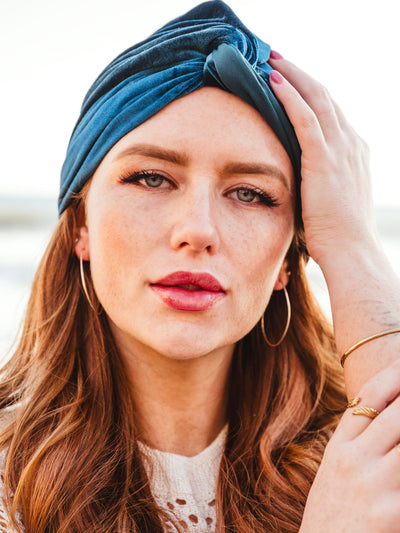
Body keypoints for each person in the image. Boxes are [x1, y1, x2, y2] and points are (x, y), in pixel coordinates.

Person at [0, 1, 399, 532]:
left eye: (252, 194)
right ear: (81, 227)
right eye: (151, 178)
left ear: (287, 260)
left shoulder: (348, 453)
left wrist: (353, 247)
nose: (199, 230)